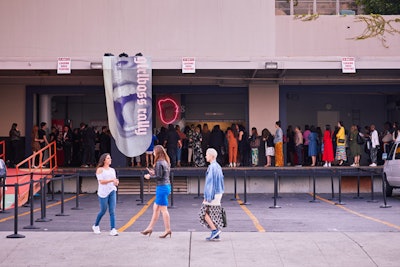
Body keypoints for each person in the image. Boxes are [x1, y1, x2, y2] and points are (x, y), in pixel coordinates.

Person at [142, 145, 172, 238]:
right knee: (156, 208)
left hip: (161, 187)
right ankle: (150, 228)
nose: (153, 153)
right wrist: (154, 173)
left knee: (163, 209)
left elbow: (159, 177)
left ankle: (167, 229)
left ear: (157, 152)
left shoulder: (159, 163)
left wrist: (149, 176)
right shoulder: (166, 161)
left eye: (154, 152)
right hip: (166, 186)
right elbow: (162, 174)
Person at [199, 148, 224, 241]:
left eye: (207, 154)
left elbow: (210, 184)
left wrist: (207, 197)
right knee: (212, 213)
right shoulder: (218, 166)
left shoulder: (212, 167)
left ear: (211, 156)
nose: (205, 156)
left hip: (213, 194)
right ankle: (215, 233)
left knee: (204, 212)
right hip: (218, 192)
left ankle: (214, 230)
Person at [92, 153, 119, 236]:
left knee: (112, 210)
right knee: (103, 210)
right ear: (104, 160)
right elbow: (101, 182)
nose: (110, 159)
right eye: (108, 158)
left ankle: (113, 228)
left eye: (110, 158)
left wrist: (116, 182)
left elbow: (114, 180)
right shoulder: (100, 170)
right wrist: (111, 180)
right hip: (103, 192)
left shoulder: (112, 170)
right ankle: (96, 225)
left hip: (112, 190)